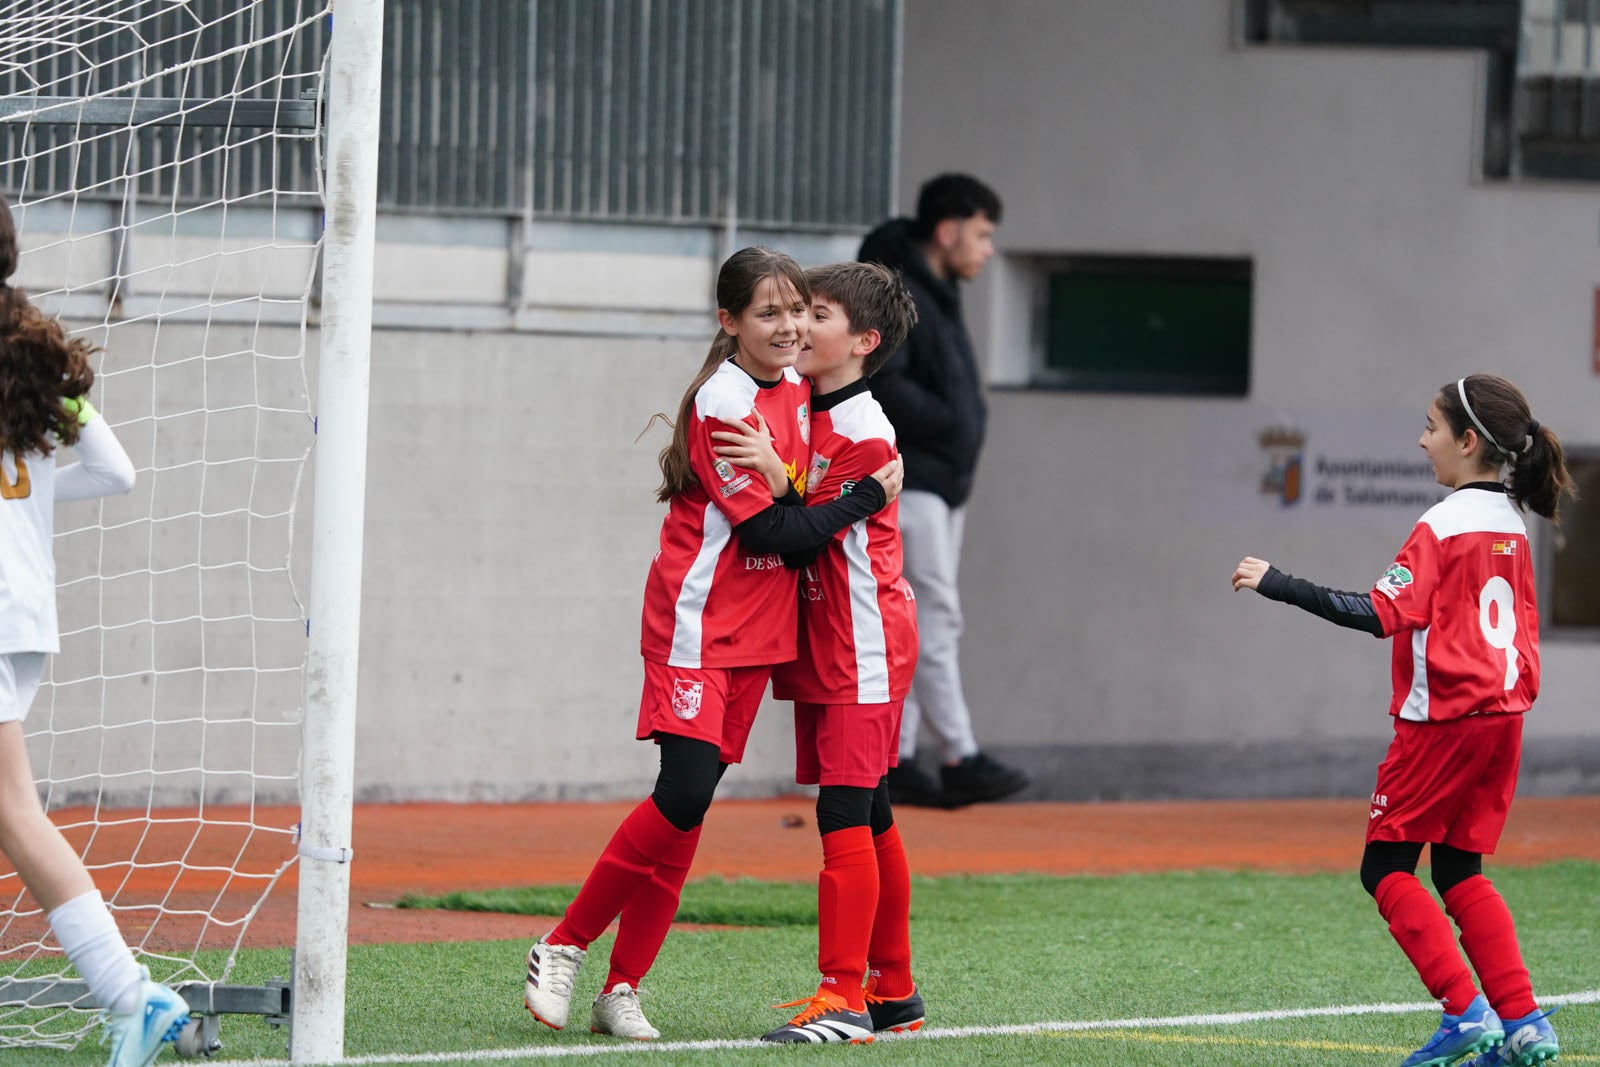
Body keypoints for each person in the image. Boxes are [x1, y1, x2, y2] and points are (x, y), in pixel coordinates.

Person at [520, 246, 904, 1041]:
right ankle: (563, 942)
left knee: (733, 812)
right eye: (772, 312)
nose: (791, 326)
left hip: (767, 635)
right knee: (688, 794)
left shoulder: (804, 392)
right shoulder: (726, 403)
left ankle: (624, 986)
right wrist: (861, 493)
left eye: (801, 311)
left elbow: (798, 509)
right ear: (729, 323)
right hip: (699, 626)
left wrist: (804, 481)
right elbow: (775, 529)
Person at [1231, 374, 1571, 1067]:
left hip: (1444, 719)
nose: (1422, 441)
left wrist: (1278, 582)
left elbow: (1379, 613)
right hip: (1503, 716)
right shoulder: (1512, 517)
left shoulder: (1442, 523)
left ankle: (1464, 1010)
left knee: (1383, 866)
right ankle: (1525, 1021)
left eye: (1431, 428)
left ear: (1469, 440)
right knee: (1459, 868)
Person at [0, 194, 190, 1067]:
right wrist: (32, 508)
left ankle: (130, 992)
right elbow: (114, 471)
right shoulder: (31, 355)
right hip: (25, 609)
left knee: (14, 807)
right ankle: (130, 992)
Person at [717, 262, 924, 1043]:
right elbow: (809, 500)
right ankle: (895, 988)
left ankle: (842, 996)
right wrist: (782, 473)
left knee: (842, 809)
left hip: (863, 641)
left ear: (864, 342)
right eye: (798, 309)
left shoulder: (867, 431)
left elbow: (808, 536)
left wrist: (778, 479)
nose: (801, 325)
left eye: (820, 314)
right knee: (868, 810)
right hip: (831, 637)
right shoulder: (807, 405)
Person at [858, 173, 1029, 808]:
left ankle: (896, 759)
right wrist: (954, 422)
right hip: (914, 479)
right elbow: (887, 383)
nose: (987, 250)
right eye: (982, 235)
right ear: (948, 230)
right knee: (933, 613)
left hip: (939, 482)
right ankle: (958, 753)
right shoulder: (894, 290)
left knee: (915, 614)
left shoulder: (936, 288)